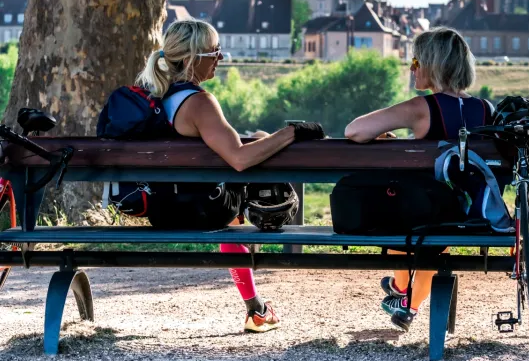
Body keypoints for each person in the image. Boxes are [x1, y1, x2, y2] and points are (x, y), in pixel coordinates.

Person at [134, 18, 324, 333]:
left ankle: (256, 307)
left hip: (161, 208)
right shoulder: (199, 103)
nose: (221, 57)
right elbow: (239, 157)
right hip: (197, 211)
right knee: (253, 176)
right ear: (193, 58)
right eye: (215, 51)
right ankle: (255, 307)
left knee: (244, 172)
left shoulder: (153, 97)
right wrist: (292, 132)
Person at [344, 27, 493, 331]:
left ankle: (404, 294)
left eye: (416, 62)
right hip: (471, 213)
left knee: (403, 215)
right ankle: (406, 300)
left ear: (433, 65)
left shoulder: (421, 108)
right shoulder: (485, 109)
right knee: (440, 221)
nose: (412, 69)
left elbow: (354, 131)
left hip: (424, 214)